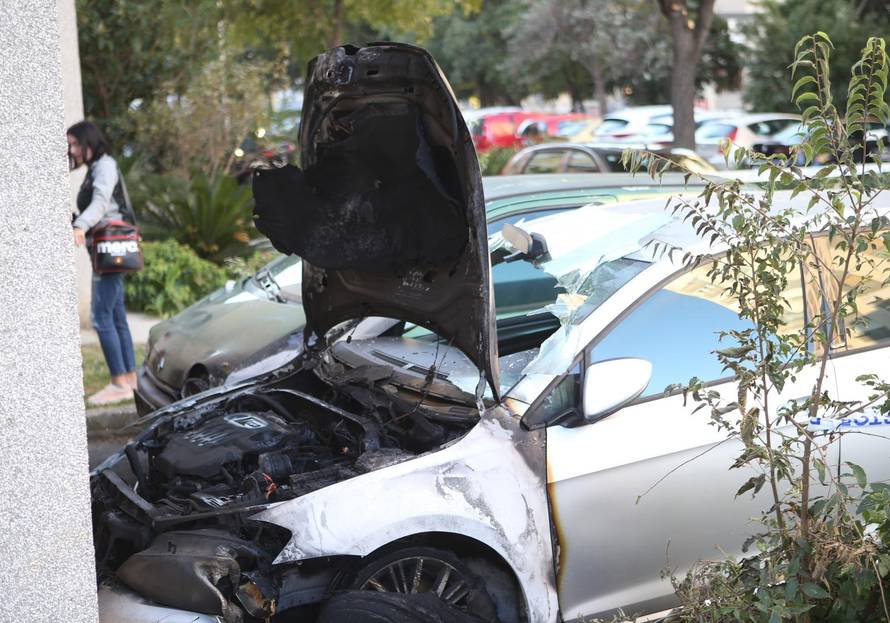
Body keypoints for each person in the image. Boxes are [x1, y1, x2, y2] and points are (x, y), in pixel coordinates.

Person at [68, 120, 137, 405]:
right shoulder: (96, 167)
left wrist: (80, 225)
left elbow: (101, 202)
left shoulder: (104, 166)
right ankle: (130, 379)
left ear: (89, 142)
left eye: (75, 144)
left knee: (101, 317)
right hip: (108, 249)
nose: (71, 150)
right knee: (117, 316)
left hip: (110, 249)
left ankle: (119, 383)